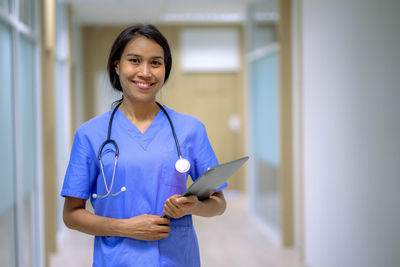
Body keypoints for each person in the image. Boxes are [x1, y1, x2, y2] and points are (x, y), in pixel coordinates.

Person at [61, 24, 227, 267]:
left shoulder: (190, 129)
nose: (145, 72)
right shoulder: (90, 134)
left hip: (177, 258)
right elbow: (71, 215)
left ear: (165, 69)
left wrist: (192, 207)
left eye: (156, 63)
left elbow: (219, 204)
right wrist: (125, 227)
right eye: (135, 61)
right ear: (117, 66)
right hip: (118, 259)